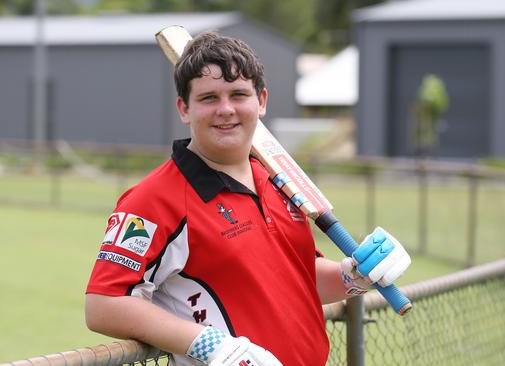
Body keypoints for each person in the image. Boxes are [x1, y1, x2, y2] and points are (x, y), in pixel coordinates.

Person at [84, 31, 411, 366]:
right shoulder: (153, 200)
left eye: (238, 94)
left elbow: (296, 276)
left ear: (262, 101)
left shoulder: (278, 181)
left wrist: (352, 276)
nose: (225, 109)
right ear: (184, 108)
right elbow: (103, 304)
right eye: (209, 98)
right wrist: (207, 343)